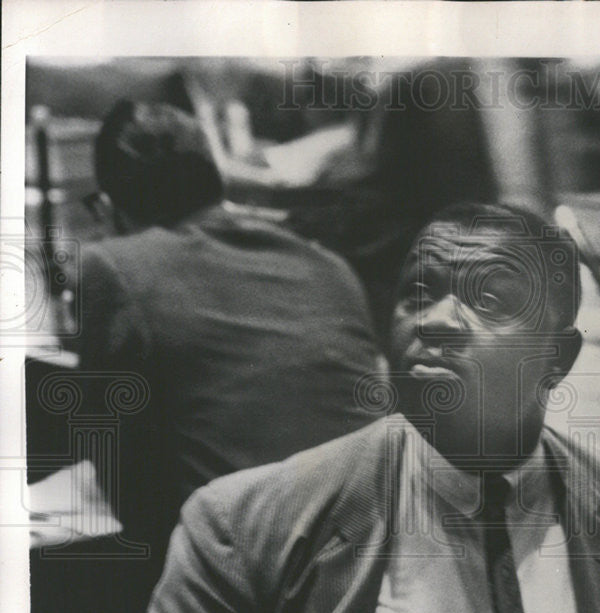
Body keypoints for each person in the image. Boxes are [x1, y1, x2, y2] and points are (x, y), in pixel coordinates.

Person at [100, 203, 600, 613]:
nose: (435, 320)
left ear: (557, 358)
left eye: (488, 299)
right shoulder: (245, 527)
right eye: (419, 292)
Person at [71, 100, 383, 550]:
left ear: (108, 208)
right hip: (372, 561)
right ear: (215, 182)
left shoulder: (113, 267)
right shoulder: (330, 267)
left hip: (251, 579)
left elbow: (122, 484)